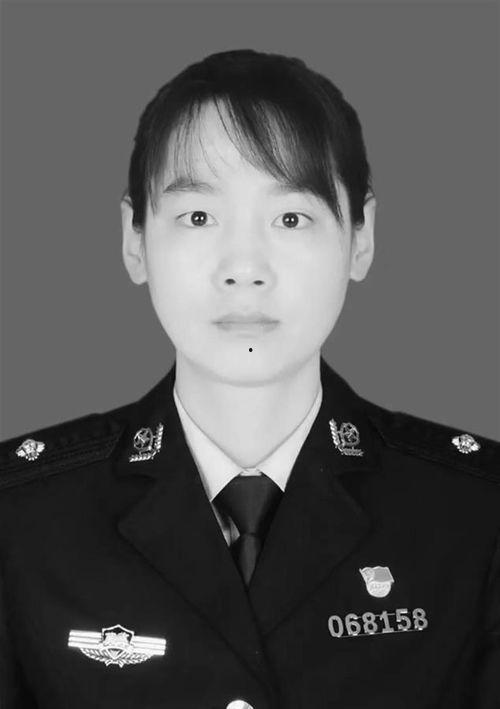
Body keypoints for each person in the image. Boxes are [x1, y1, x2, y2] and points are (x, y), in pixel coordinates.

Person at [0, 48, 498, 709]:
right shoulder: (24, 520)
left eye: (290, 218)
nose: (244, 268)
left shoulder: (474, 515)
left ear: (361, 236)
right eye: (198, 217)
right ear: (134, 238)